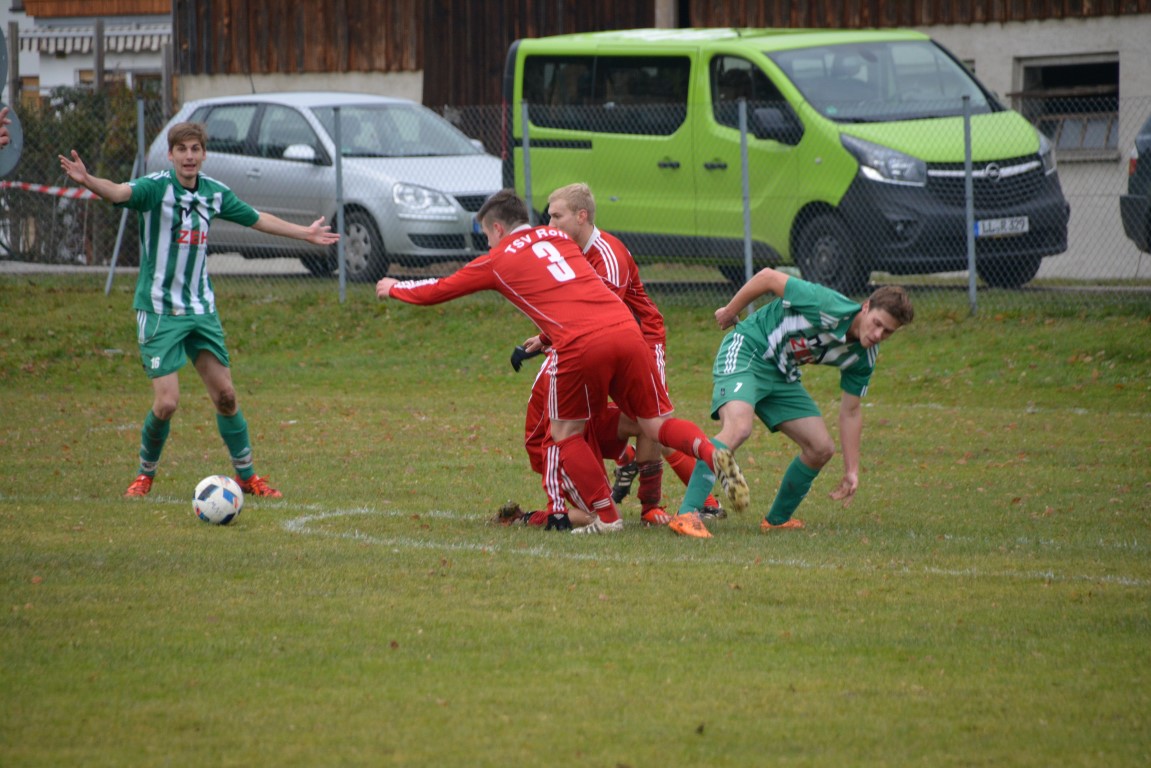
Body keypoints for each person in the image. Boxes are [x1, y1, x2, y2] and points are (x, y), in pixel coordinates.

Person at [377, 189, 749, 534]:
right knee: (655, 424)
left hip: (580, 342)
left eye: (487, 235)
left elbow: (440, 288)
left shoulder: (498, 258)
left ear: (497, 228)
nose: (487, 244)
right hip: (626, 330)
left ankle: (607, 517)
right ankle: (711, 450)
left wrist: (394, 287)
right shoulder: (557, 238)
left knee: (565, 433)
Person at [58, 122, 340, 498]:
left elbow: (257, 218)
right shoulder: (155, 188)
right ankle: (144, 476)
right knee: (167, 403)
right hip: (159, 310)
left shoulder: (213, 193)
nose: (189, 156)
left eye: (195, 149)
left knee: (226, 396)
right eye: (182, 149)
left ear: (204, 154)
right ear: (171, 154)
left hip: (200, 309)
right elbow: (120, 191)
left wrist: (305, 233)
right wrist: (88, 180)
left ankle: (247, 477)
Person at [513, 183, 723, 529]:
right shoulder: (572, 251)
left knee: (652, 423)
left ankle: (678, 503)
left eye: (556, 216)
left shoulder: (608, 255)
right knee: (590, 418)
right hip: (604, 345)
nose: (549, 225)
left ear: (581, 216)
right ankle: (624, 468)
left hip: (641, 341)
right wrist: (545, 338)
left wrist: (551, 339)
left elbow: (594, 313)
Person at [671, 268, 914, 538]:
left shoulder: (863, 357)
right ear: (866, 307)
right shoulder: (827, 305)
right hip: (749, 350)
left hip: (781, 373)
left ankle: (777, 520)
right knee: (739, 428)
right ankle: (687, 514)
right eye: (877, 323)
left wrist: (852, 471)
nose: (878, 334)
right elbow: (768, 277)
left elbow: (851, 412)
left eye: (888, 332)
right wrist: (730, 311)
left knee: (821, 448)